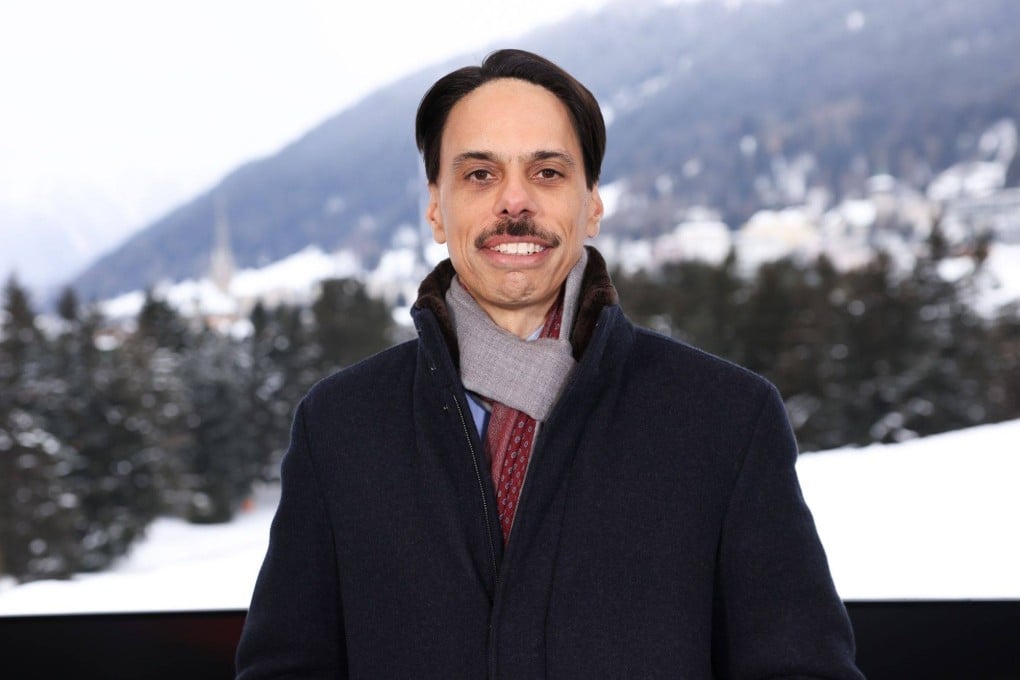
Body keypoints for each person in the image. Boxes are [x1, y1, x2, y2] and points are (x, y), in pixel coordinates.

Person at [236, 48, 864, 679]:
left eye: (547, 173)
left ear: (592, 204)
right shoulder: (339, 427)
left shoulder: (725, 419)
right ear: (435, 208)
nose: (515, 201)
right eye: (480, 174)